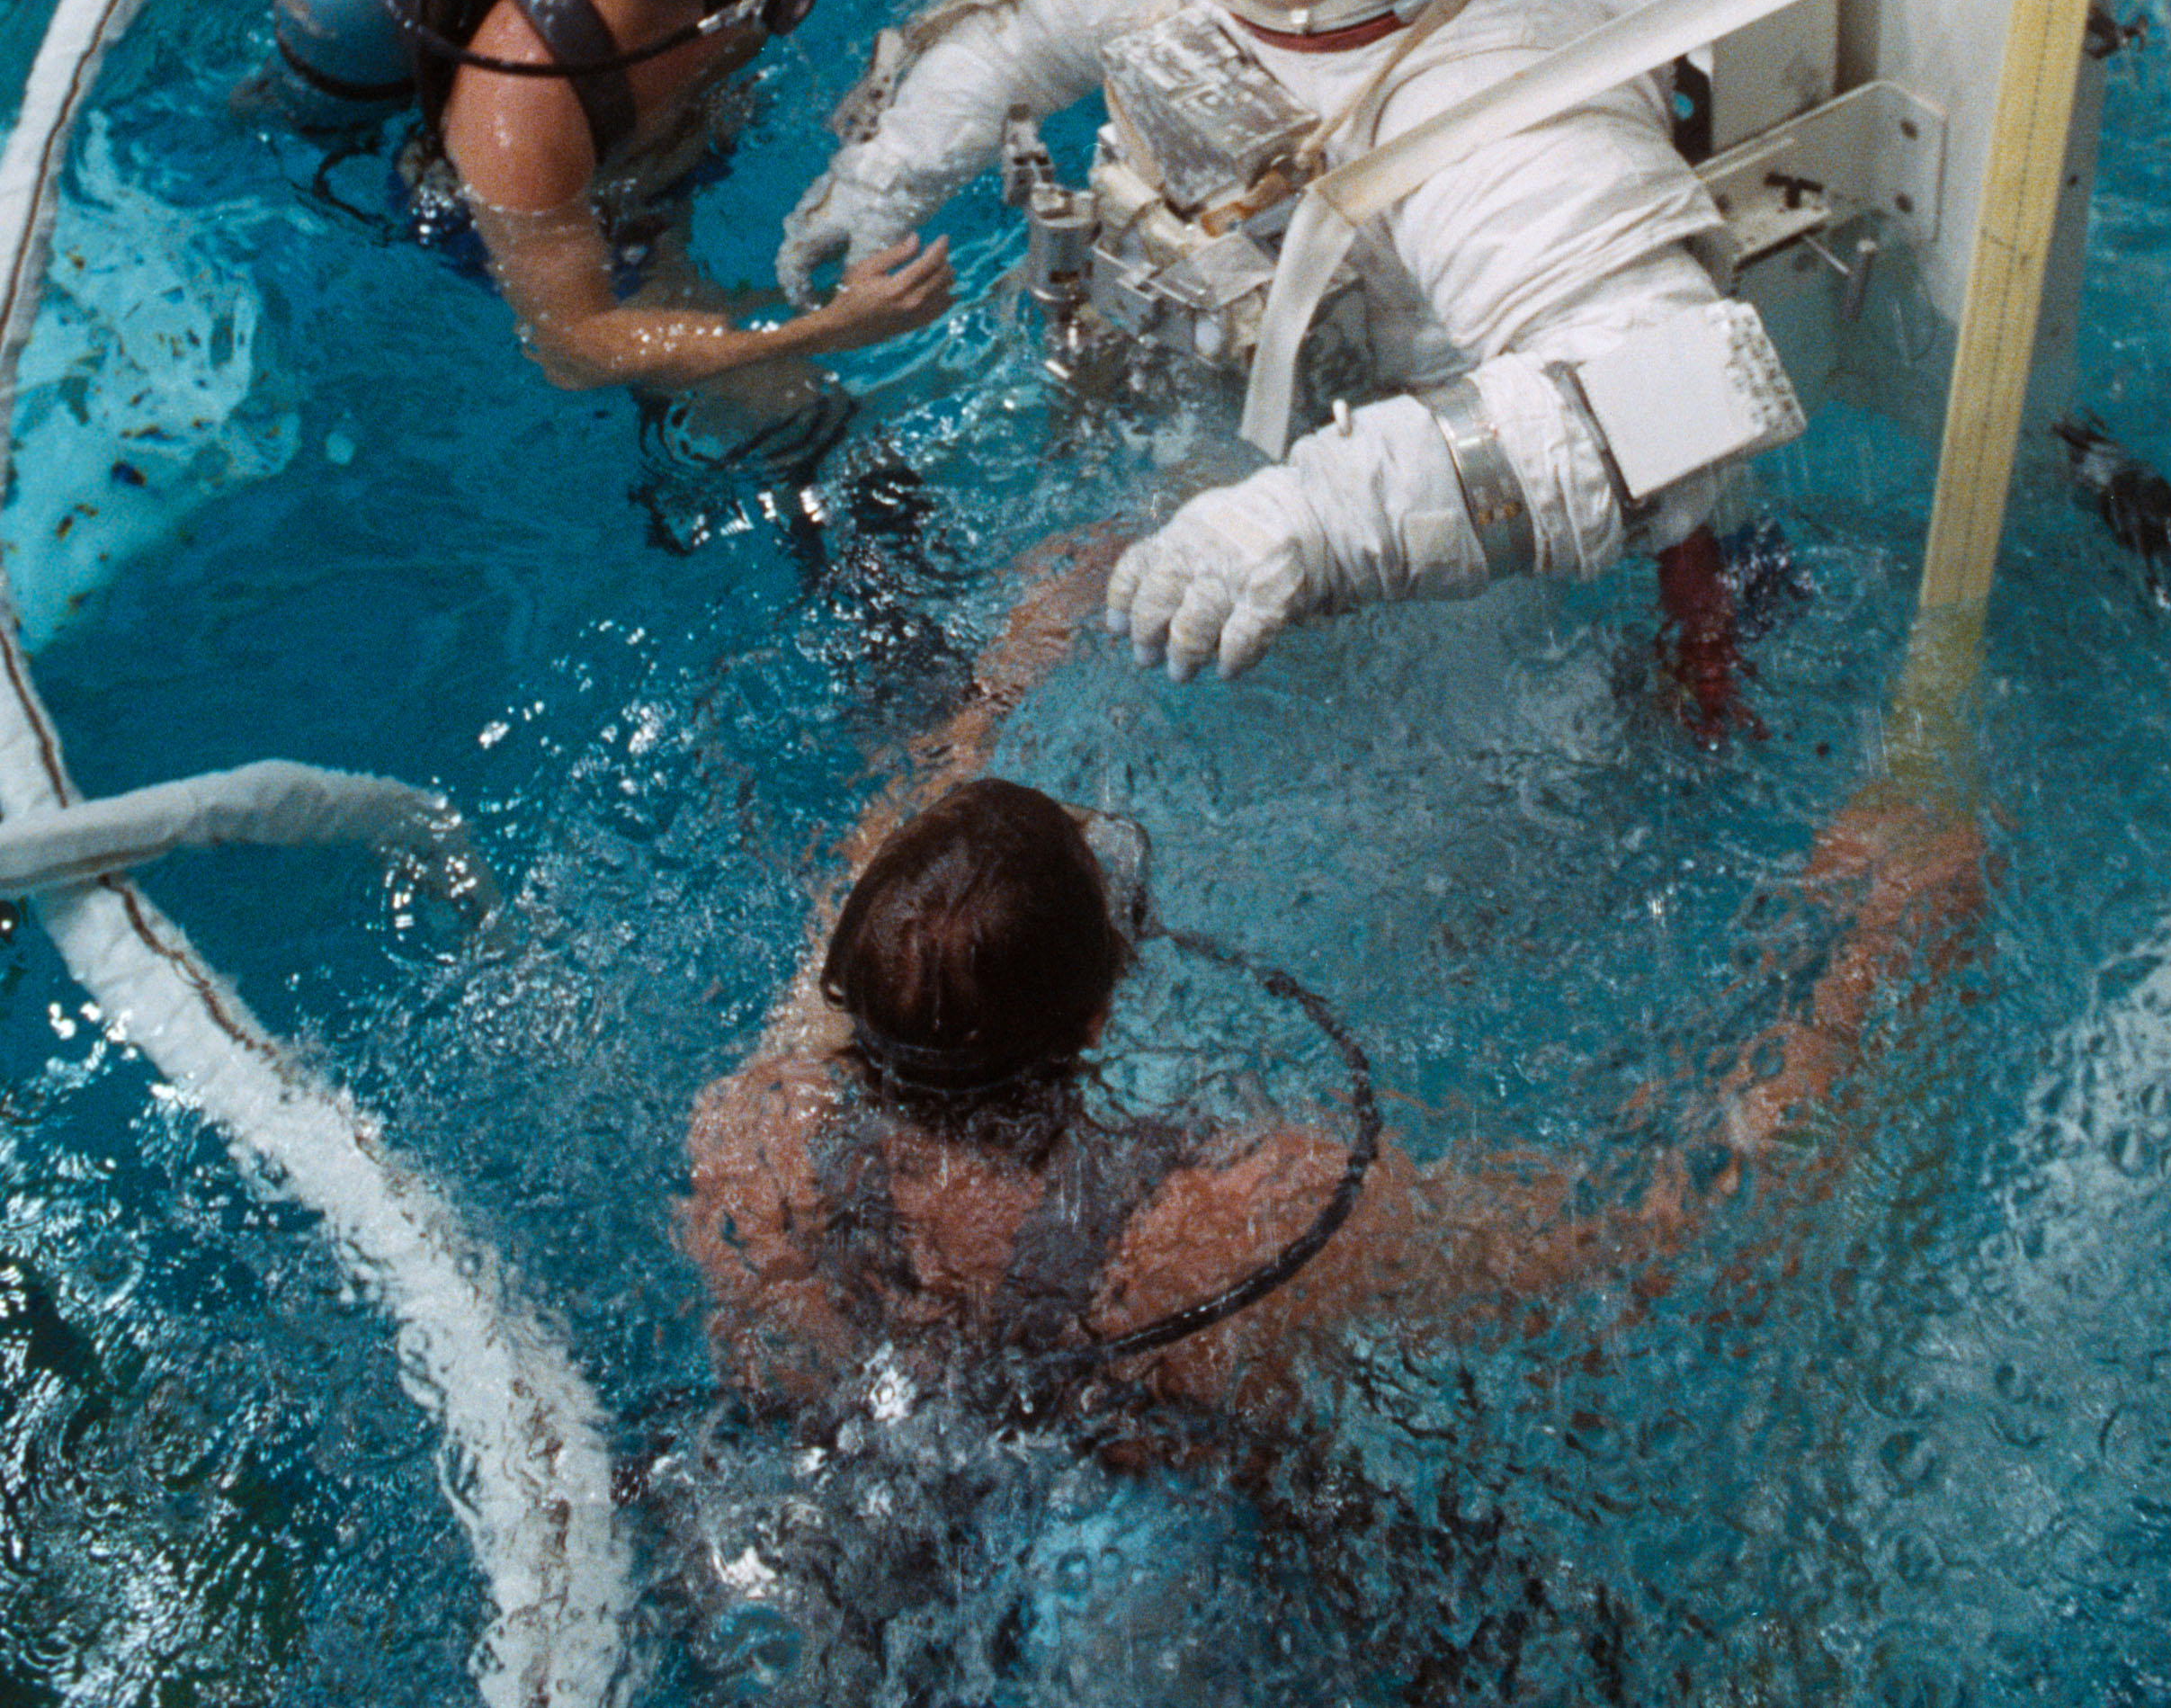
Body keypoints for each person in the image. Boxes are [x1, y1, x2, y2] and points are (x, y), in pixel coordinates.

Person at [780, 0, 1803, 691]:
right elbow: (1017, 34)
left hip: (1407, 486)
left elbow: (1666, 404)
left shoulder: (1497, 68)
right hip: (1199, 368)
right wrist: (882, 187)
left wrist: (1313, 527)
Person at [683, 541, 1980, 1438]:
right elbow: (1677, 1245)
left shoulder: (749, 1133)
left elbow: (882, 881)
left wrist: (1000, 677)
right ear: (1095, 1018)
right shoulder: (1233, 1216)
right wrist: (1872, 943)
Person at [441, 0, 975, 410]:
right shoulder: (527, 110)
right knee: (792, 411)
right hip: (603, 214)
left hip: (682, 135)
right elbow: (574, 348)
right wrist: (824, 331)